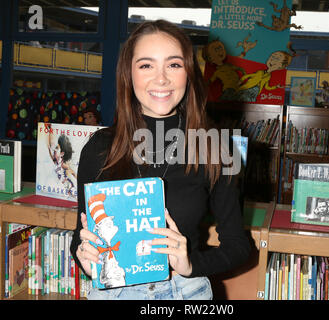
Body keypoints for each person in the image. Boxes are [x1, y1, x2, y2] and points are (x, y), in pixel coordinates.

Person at [70, 19, 251, 300]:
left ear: (189, 73)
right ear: (128, 75)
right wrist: (84, 256)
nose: (161, 78)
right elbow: (79, 237)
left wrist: (191, 264)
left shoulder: (216, 147)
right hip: (115, 290)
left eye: (174, 64)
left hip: (186, 290)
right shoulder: (99, 148)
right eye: (146, 65)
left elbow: (238, 245)